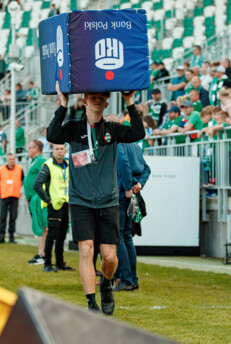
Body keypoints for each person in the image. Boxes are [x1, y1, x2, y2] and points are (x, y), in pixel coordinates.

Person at [48, 82, 145, 315]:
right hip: (81, 201)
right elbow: (52, 134)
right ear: (84, 101)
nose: (98, 100)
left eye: (103, 97)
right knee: (86, 251)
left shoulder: (112, 128)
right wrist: (62, 104)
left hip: (109, 201)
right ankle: (91, 303)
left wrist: (130, 102)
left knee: (110, 258)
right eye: (93, 97)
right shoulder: (73, 127)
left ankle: (106, 285)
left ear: (107, 103)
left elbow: (138, 133)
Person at [112, 119, 151, 291]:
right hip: (133, 194)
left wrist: (129, 187)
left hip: (122, 194)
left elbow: (123, 166)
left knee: (119, 237)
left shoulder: (118, 142)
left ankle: (126, 279)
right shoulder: (135, 145)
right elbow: (146, 169)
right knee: (127, 236)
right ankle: (132, 279)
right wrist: (139, 184)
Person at [33, 144, 74, 272]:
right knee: (52, 235)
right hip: (54, 205)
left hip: (65, 204)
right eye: (57, 149)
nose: (60, 151)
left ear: (65, 150)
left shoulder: (68, 164)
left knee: (62, 235)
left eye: (62, 149)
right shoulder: (48, 165)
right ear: (52, 151)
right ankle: (47, 264)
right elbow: (37, 184)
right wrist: (48, 200)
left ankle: (60, 263)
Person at [24, 140, 48, 265]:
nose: (28, 150)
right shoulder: (34, 161)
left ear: (36, 149)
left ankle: (42, 254)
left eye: (30, 147)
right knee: (41, 228)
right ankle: (41, 253)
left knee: (41, 227)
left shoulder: (40, 161)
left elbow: (47, 175)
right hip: (33, 199)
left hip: (38, 199)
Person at [0, 153, 24, 244]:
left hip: (15, 196)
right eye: (10, 159)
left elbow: (23, 180)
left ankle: (11, 237)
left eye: (13, 159)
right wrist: (2, 187)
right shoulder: (1, 169)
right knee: (2, 217)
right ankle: (1, 236)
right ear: (7, 160)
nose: (12, 161)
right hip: (4, 196)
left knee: (13, 217)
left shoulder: (19, 169)